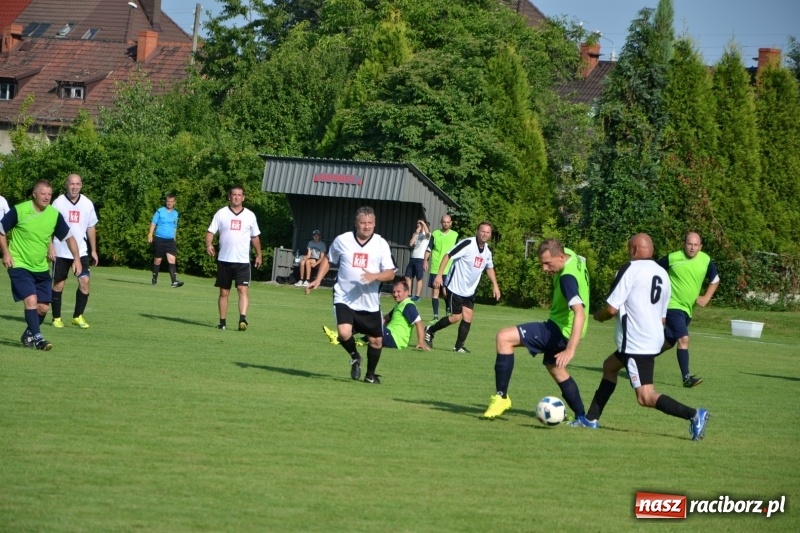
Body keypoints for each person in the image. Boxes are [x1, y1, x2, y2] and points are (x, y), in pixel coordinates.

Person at [571, 233, 710, 442]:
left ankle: (693, 414)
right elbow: (663, 317)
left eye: (629, 248)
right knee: (609, 366)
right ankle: (590, 418)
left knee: (645, 397)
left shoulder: (629, 269)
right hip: (651, 339)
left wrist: (597, 316)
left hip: (636, 343)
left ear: (634, 249)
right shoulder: (663, 273)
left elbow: (610, 309)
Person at [483, 239, 589, 420]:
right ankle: (582, 418)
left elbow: (580, 313)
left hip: (561, 329)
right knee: (556, 368)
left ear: (561, 257)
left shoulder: (566, 279)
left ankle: (501, 397)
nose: (545, 269)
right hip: (569, 328)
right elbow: (582, 259)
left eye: (548, 264)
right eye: (542, 264)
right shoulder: (572, 256)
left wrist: (571, 349)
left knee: (504, 337)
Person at [306, 206, 396, 384]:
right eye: (363, 222)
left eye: (370, 223)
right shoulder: (343, 240)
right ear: (356, 222)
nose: (367, 226)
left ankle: (370, 375)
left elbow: (391, 273)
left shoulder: (380, 243)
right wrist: (317, 280)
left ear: (375, 223)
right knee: (344, 332)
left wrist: (375, 276)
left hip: (369, 302)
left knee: (376, 341)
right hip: (344, 297)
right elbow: (329, 259)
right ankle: (355, 356)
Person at [0, 180, 82, 350]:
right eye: (43, 193)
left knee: (43, 308)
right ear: (34, 194)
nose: (46, 197)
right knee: (31, 300)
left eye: (49, 194)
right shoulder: (20, 210)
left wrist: (77, 258)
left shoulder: (53, 214)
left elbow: (69, 237)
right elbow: (1, 230)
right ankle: (38, 338)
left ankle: (28, 334)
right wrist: (6, 253)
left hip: (41, 267)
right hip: (19, 264)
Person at [424, 222, 500, 353]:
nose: (485, 234)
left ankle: (458, 347)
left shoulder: (487, 251)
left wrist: (495, 285)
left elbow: (490, 267)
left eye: (488, 232)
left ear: (490, 234)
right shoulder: (468, 244)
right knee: (456, 317)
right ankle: (430, 330)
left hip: (469, 290)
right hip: (455, 287)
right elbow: (448, 255)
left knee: (468, 316)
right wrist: (439, 276)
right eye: (483, 231)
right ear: (477, 231)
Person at [657, 232, 720, 387]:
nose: (692, 248)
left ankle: (636, 358)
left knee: (667, 343)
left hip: (687, 310)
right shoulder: (673, 258)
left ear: (700, 246)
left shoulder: (705, 260)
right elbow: (653, 271)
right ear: (684, 244)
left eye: (695, 245)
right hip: (672, 306)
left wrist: (706, 297)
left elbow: (715, 280)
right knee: (684, 339)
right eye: (689, 244)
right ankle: (686, 378)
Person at [205, 186, 262, 331]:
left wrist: (259, 254)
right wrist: (208, 244)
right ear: (229, 197)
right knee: (224, 292)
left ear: (243, 197)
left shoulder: (250, 215)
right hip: (224, 260)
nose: (236, 197)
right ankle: (222, 322)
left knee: (243, 289)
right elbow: (211, 231)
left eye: (239, 195)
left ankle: (242, 319)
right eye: (234, 195)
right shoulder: (221, 213)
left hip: (242, 261)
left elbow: (255, 237)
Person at [48, 174, 99, 329]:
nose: (74, 187)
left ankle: (77, 316)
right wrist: (50, 245)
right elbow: (48, 226)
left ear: (81, 185)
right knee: (59, 285)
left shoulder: (87, 203)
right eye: (72, 184)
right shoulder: (58, 203)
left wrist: (94, 250)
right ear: (66, 185)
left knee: (84, 282)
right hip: (61, 251)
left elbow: (91, 227)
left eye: (77, 184)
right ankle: (56, 318)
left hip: (81, 251)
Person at [323, 280, 430, 351]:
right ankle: (344, 337)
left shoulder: (408, 305)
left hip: (395, 339)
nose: (395, 294)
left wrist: (420, 341)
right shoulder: (400, 305)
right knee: (369, 322)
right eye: (393, 292)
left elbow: (419, 323)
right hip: (389, 334)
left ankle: (340, 337)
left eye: (398, 291)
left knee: (369, 321)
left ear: (407, 292)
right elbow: (385, 319)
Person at [423, 214, 458, 320]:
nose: (446, 224)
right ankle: (435, 316)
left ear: (451, 223)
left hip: (449, 267)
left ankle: (448, 308)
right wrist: (425, 260)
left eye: (448, 222)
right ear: (441, 222)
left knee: (446, 291)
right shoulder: (435, 234)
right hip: (436, 267)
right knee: (436, 290)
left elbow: (458, 251)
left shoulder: (455, 235)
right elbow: (429, 248)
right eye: (444, 222)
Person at [148, 194, 184, 288]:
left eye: (171, 202)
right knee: (157, 260)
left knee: (172, 259)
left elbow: (174, 227)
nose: (169, 203)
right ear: (166, 202)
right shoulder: (160, 211)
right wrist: (150, 235)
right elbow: (153, 223)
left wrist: (174, 238)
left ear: (174, 203)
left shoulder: (176, 213)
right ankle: (154, 279)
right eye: (168, 201)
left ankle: (174, 282)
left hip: (170, 241)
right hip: (159, 239)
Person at [404, 219, 430, 301]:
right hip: (413, 258)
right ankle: (409, 294)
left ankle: (417, 296)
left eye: (420, 224)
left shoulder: (426, 235)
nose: (418, 225)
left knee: (419, 277)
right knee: (407, 276)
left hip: (420, 259)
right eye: (417, 224)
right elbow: (411, 244)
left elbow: (428, 234)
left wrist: (423, 224)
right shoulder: (416, 234)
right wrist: (416, 233)